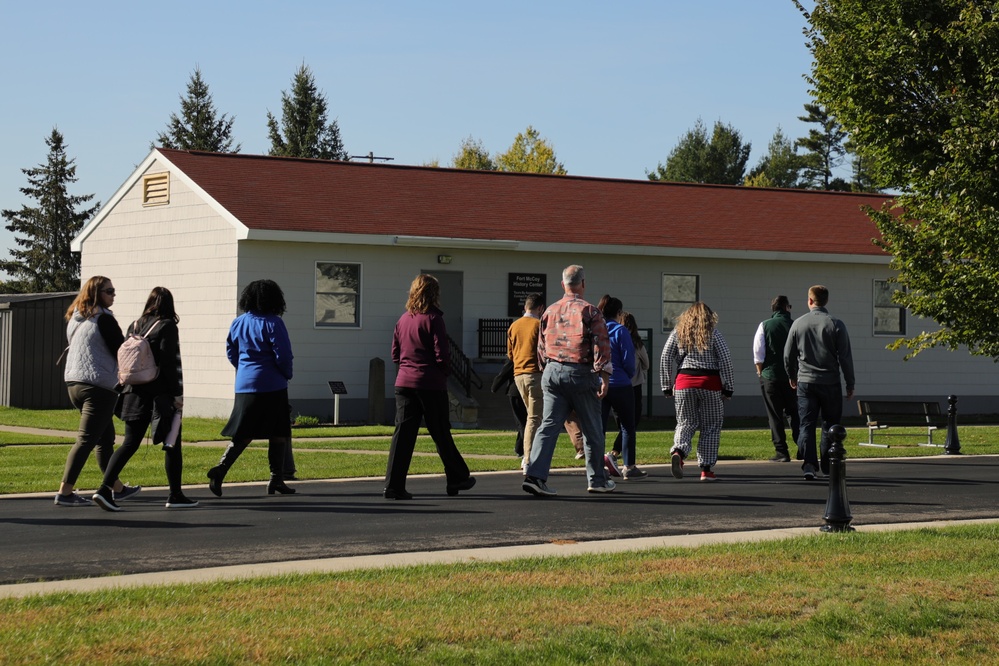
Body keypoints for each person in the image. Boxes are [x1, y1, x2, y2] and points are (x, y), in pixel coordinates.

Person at [92, 287, 198, 510]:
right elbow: (170, 362)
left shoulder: (135, 325)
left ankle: (103, 489)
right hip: (160, 394)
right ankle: (175, 495)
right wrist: (177, 395)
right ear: (170, 305)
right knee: (172, 443)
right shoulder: (167, 326)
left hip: (133, 391)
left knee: (130, 443)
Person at [522, 265, 616, 496]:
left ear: (563, 284)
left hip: (552, 371)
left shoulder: (549, 311)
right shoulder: (591, 311)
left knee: (548, 426)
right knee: (592, 429)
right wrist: (603, 374)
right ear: (583, 283)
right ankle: (596, 479)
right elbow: (601, 344)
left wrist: (548, 370)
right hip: (580, 372)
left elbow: (541, 347)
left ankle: (535, 475)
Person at [384, 274, 476, 500]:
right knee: (441, 432)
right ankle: (456, 476)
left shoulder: (403, 320)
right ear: (434, 294)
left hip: (404, 382)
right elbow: (442, 355)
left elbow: (395, 353)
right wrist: (442, 373)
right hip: (429, 383)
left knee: (403, 435)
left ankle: (393, 485)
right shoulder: (434, 319)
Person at [55, 276, 139, 507]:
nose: (113, 295)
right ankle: (65, 492)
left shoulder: (76, 319)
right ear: (96, 293)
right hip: (98, 386)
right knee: (86, 440)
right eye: (109, 291)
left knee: (105, 438)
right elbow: (120, 352)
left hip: (74, 383)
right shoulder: (104, 319)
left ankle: (117, 488)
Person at [208, 279, 296, 497]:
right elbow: (283, 354)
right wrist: (287, 373)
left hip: (245, 384)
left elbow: (232, 351)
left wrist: (244, 369)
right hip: (272, 384)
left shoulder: (238, 322)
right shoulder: (274, 323)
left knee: (244, 433)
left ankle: (221, 469)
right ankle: (276, 477)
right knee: (279, 432)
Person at [783, 285, 855, 481]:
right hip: (830, 381)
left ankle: (808, 464)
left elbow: (788, 354)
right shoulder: (836, 324)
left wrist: (792, 375)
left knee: (806, 423)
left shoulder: (798, 324)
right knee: (830, 424)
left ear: (809, 301)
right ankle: (827, 464)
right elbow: (845, 357)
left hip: (806, 381)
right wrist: (850, 383)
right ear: (826, 301)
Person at [660, 302, 735, 482]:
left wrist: (666, 385)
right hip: (710, 383)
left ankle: (679, 451)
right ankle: (706, 470)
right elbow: (726, 360)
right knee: (711, 425)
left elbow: (665, 357)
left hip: (684, 382)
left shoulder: (678, 333)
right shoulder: (714, 334)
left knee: (685, 422)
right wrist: (729, 387)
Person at [599, 297, 645, 480]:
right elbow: (628, 360)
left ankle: (597, 465)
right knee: (628, 426)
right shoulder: (621, 331)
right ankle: (629, 466)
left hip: (600, 383)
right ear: (618, 313)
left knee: (599, 427)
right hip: (620, 383)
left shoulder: (596, 330)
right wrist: (627, 373)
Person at [752, 295, 800, 462]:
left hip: (770, 376)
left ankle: (781, 451)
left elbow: (758, 354)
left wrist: (760, 372)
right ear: (787, 307)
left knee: (775, 415)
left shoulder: (764, 325)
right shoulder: (797, 325)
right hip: (794, 377)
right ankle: (802, 447)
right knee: (795, 413)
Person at [507, 292, 545, 471]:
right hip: (535, 374)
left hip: (518, 375)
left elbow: (510, 354)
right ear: (540, 308)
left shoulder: (514, 326)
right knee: (534, 418)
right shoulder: (539, 324)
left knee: (533, 417)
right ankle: (529, 458)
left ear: (525, 307)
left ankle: (532, 456)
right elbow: (544, 350)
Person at [610, 312, 649, 460]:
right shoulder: (637, 344)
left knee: (621, 420)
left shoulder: (612, 338)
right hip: (633, 385)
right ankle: (620, 453)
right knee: (631, 421)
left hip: (614, 384)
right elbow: (647, 364)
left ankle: (617, 451)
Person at [489, 357, 528, 456]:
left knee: (522, 422)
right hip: (524, 390)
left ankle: (524, 449)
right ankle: (520, 448)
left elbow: (504, 372)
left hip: (516, 391)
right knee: (525, 421)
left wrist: (494, 386)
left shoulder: (515, 356)